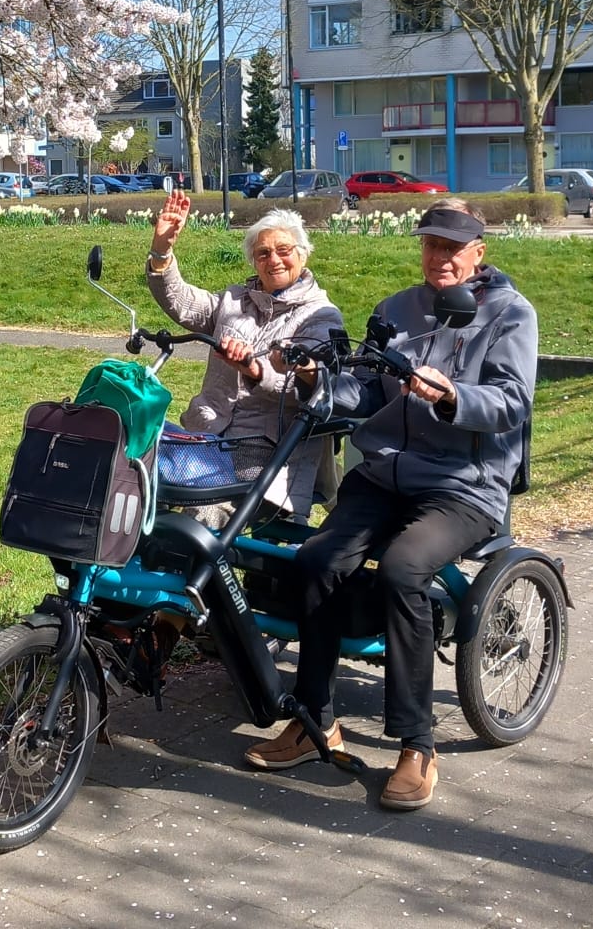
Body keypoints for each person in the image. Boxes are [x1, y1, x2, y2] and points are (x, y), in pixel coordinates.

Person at [243, 200, 537, 814]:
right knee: (316, 560)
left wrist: (454, 394)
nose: (441, 258)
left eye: (454, 248)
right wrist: (310, 381)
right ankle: (314, 720)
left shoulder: (510, 315)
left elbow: (512, 403)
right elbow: (362, 392)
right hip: (381, 476)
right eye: (431, 245)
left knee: (405, 571)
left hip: (464, 483)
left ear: (479, 252)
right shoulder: (396, 310)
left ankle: (416, 743)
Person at [146, 192, 344, 525]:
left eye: (284, 251)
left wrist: (256, 369)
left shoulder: (320, 316)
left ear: (304, 255)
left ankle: (195, 577)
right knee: (138, 473)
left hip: (269, 453)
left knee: (201, 516)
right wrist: (162, 249)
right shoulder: (234, 301)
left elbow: (316, 383)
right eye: (263, 253)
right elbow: (180, 301)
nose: (274, 260)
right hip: (208, 439)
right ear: (254, 261)